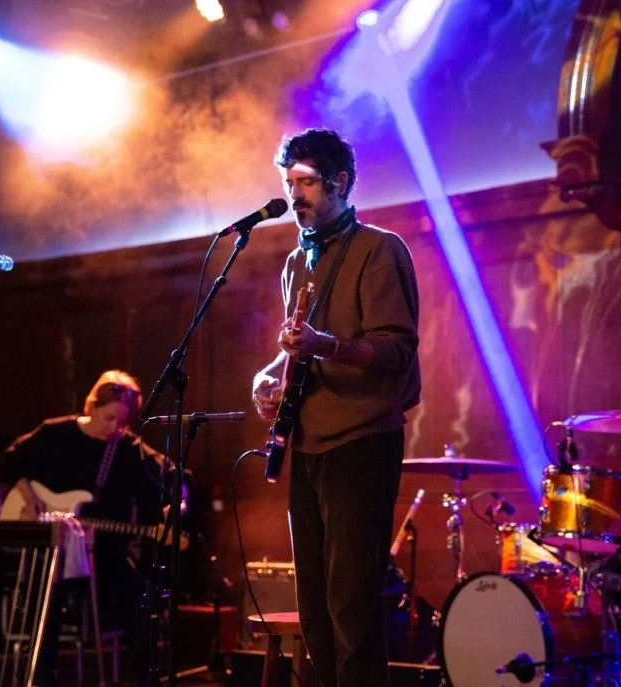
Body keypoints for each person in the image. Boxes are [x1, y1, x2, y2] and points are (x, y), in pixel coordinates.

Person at [251, 128, 421, 687]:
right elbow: (298, 348)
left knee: (352, 604)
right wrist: (271, 376)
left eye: (304, 182)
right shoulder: (294, 262)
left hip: (361, 442)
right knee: (316, 610)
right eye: (288, 182)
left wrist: (322, 345)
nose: (293, 195)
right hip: (308, 443)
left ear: (340, 183)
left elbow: (395, 350)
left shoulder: (380, 249)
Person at [0, 370, 173, 686]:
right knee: (45, 597)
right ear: (91, 406)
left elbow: (165, 479)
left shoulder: (127, 447)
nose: (113, 428)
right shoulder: (55, 433)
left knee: (139, 598)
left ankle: (146, 676)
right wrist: (29, 496)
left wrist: (174, 504)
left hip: (103, 552)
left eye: (121, 422)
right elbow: (9, 460)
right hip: (52, 549)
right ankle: (43, 676)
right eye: (108, 418)